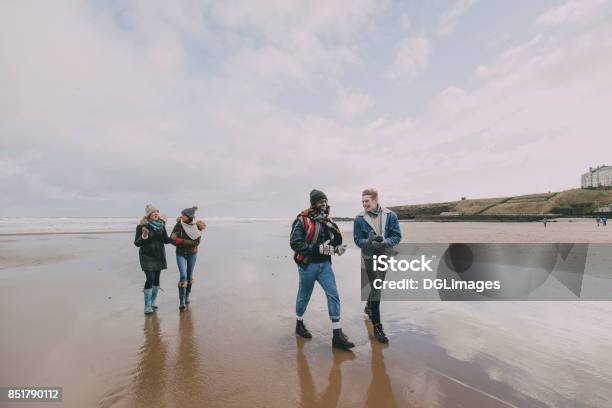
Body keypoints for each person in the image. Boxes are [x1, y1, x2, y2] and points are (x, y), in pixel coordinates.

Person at [290, 189, 354, 350]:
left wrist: (337, 248)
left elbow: (330, 243)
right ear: (313, 203)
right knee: (304, 296)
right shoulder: (302, 220)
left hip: (325, 265)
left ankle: (337, 335)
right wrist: (317, 249)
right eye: (320, 201)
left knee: (333, 295)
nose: (324, 204)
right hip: (308, 265)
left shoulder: (327, 221)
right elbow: (295, 243)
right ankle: (299, 324)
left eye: (325, 201)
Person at [353, 189, 401, 343]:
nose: (364, 204)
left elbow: (397, 236)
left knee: (377, 287)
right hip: (369, 256)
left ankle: (368, 306)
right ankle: (377, 326)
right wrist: (369, 242)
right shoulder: (359, 219)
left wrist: (385, 241)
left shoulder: (390, 215)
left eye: (367, 201)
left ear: (375, 200)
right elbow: (357, 240)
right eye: (363, 202)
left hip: (385, 255)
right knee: (377, 287)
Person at [134, 204, 172, 314]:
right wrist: (144, 235)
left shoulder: (161, 225)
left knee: (156, 279)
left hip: (158, 255)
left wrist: (175, 237)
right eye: (153, 212)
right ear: (149, 214)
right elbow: (137, 243)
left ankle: (153, 301)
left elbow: (165, 240)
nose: (156, 214)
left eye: (157, 212)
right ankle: (147, 306)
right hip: (146, 256)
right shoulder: (141, 226)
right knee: (150, 278)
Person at [171, 206, 206, 311]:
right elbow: (171, 238)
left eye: (184, 215)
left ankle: (187, 296)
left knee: (189, 275)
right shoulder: (179, 225)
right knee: (183, 275)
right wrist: (175, 240)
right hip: (180, 253)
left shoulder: (198, 227)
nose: (181, 216)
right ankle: (181, 301)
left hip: (192, 254)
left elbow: (196, 242)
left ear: (189, 216)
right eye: (181, 214)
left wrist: (181, 241)